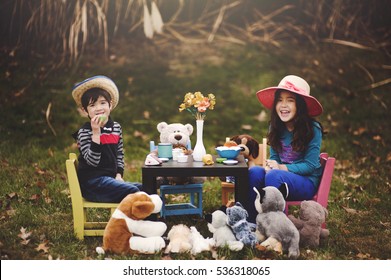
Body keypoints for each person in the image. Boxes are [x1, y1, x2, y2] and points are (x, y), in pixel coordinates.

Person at [248, 75, 325, 222]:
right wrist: (271, 165)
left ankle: (278, 226)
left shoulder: (312, 129)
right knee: (255, 172)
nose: (283, 105)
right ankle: (252, 222)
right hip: (280, 177)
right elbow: (275, 157)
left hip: (306, 182)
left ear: (300, 106)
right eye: (279, 100)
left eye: (290, 100)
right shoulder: (276, 126)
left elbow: (310, 165)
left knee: (274, 176)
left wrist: (281, 168)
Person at [71, 75, 142, 203]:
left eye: (103, 103)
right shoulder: (84, 132)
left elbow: (119, 154)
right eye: (92, 105)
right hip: (93, 184)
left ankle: (154, 216)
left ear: (110, 105)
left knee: (146, 188)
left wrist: (119, 175)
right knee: (134, 192)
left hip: (110, 180)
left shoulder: (116, 127)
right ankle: (144, 220)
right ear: (84, 110)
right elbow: (93, 161)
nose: (98, 108)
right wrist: (96, 132)